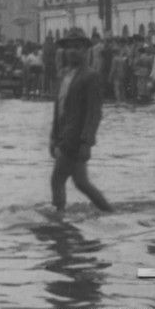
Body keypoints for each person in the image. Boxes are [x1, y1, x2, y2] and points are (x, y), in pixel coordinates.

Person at [48, 28, 113, 213]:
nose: (73, 51)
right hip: (63, 135)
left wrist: (86, 142)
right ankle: (108, 211)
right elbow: (58, 109)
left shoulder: (90, 76)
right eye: (69, 47)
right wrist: (52, 137)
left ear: (85, 50)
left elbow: (94, 113)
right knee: (81, 183)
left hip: (75, 138)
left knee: (57, 179)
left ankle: (58, 217)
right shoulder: (63, 75)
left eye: (77, 47)